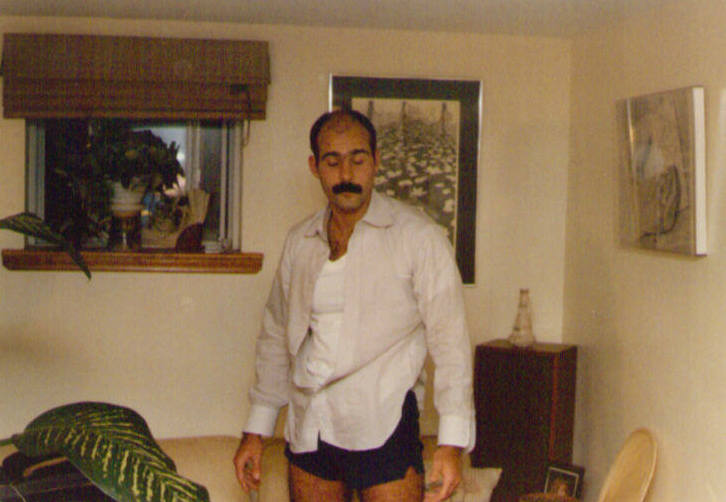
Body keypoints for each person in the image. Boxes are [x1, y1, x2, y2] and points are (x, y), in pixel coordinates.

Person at [233, 109, 475, 502]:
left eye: (358, 160)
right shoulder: (299, 241)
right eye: (332, 161)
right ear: (314, 166)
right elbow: (275, 335)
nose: (346, 173)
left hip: (384, 422)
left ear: (376, 161)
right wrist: (256, 431)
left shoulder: (419, 238)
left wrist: (451, 444)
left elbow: (451, 344)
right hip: (311, 424)